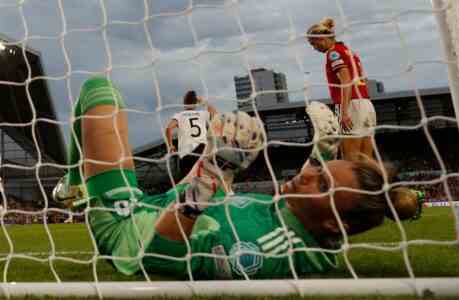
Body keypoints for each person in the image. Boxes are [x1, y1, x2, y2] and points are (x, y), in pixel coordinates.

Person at [54, 76, 420, 279]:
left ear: (331, 222)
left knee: (98, 92)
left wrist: (215, 171)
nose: (308, 177)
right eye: (320, 172)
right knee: (222, 184)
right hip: (187, 191)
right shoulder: (303, 221)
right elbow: (295, 194)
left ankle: (76, 182)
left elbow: (160, 256)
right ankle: (73, 182)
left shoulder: (261, 250)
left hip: (131, 225)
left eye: (322, 183)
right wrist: (322, 152)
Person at [307, 17, 376, 162]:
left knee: (350, 160)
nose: (314, 48)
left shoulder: (333, 54)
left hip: (350, 105)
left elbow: (346, 81)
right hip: (366, 104)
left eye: (313, 44)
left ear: (322, 38)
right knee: (366, 159)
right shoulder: (348, 51)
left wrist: (344, 112)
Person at [165, 90, 218, 180]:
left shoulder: (179, 115)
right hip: (202, 151)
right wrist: (203, 102)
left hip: (187, 154)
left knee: (187, 182)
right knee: (205, 179)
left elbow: (168, 128)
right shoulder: (202, 114)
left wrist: (170, 145)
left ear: (184, 103)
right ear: (195, 103)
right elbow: (215, 114)